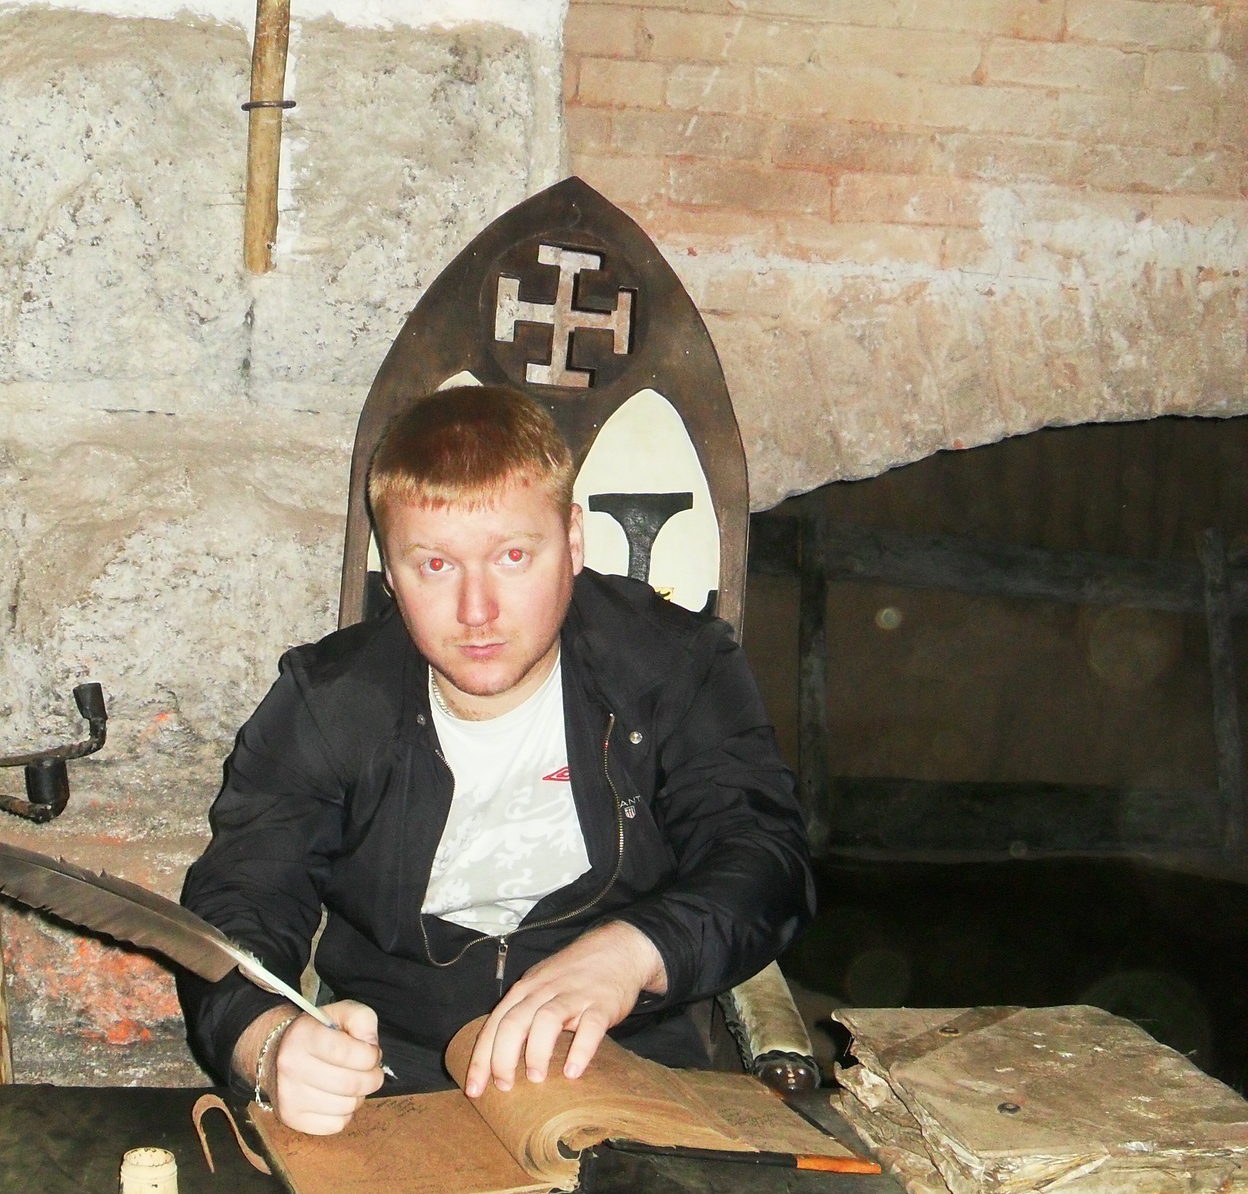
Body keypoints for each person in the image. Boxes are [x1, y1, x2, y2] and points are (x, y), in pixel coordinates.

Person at [179, 386, 813, 1135]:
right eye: (435, 565)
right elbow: (240, 897)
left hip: (630, 1060)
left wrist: (636, 949)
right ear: (390, 569)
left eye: (513, 556)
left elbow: (764, 857)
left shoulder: (675, 667)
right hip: (391, 1073)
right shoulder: (329, 702)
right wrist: (267, 1042)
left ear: (572, 540)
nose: (477, 611)